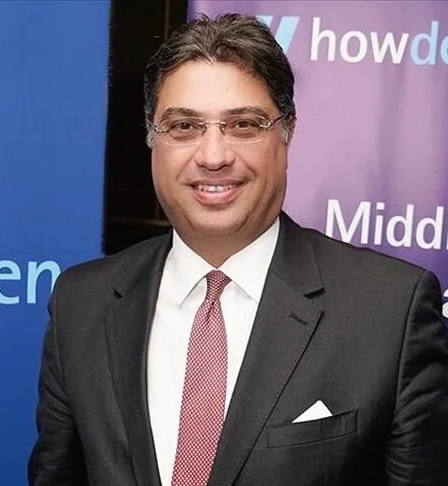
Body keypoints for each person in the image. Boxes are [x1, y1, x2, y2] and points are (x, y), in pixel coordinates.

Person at [28, 13, 448, 486]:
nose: (213, 156)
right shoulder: (81, 304)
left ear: (287, 132)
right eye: (184, 126)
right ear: (151, 137)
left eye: (244, 125)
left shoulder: (391, 312)